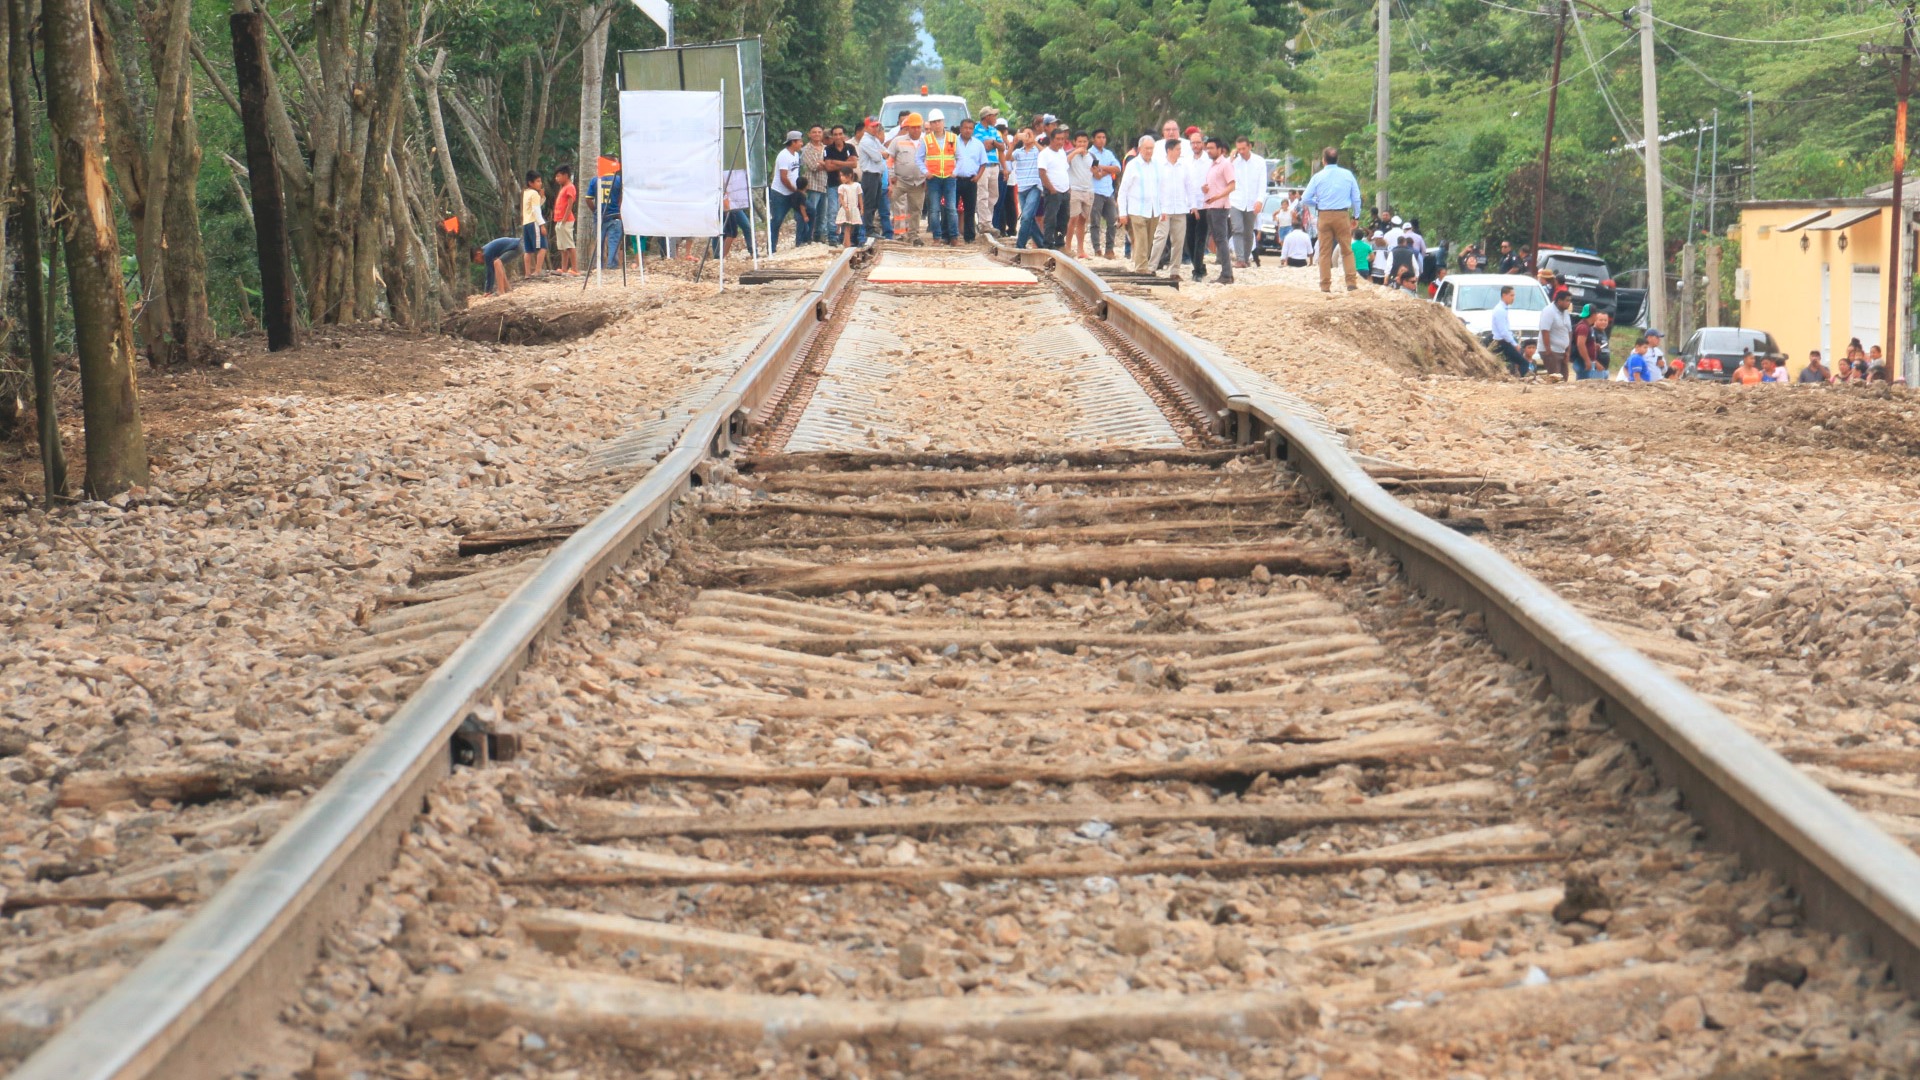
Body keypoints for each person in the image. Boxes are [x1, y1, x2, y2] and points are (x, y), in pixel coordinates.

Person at [1300, 146, 1362, 292]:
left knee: (1324, 251)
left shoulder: (1318, 177)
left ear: (1324, 160)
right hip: (1342, 215)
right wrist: (1356, 215)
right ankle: (1351, 283)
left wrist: (1319, 203)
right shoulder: (1348, 175)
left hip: (1324, 215)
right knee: (1347, 250)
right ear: (1337, 159)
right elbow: (1356, 198)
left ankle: (1325, 285)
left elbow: (1305, 199)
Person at [1148, 137, 1192, 277]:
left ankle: (1175, 271)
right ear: (1169, 150)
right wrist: (1158, 208)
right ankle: (1151, 267)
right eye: (1178, 149)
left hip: (1180, 208)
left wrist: (1191, 205)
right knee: (1160, 238)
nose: (1180, 152)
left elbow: (1189, 187)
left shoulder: (1184, 166)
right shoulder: (1159, 167)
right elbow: (1154, 189)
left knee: (1178, 241)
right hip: (1164, 209)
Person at [1116, 135, 1160, 273]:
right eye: (1146, 148)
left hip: (1153, 209)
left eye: (1151, 149)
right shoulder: (1132, 165)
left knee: (1149, 241)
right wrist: (1122, 213)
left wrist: (1162, 209)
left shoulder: (1156, 165)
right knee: (1140, 240)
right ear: (1140, 149)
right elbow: (1123, 191)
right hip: (1136, 209)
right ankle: (1141, 269)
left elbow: (1161, 188)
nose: (1149, 151)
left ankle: (1142, 265)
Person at [1197, 136, 1236, 284]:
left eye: (1212, 148)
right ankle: (1227, 273)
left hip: (1219, 206)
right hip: (1210, 206)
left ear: (1221, 150)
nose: (1209, 151)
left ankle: (1227, 274)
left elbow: (1232, 185)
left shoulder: (1225, 164)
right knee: (1218, 239)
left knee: (1221, 239)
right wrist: (1205, 189)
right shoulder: (1212, 165)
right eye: (1208, 148)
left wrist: (1217, 197)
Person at [887, 113, 928, 245]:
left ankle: (913, 236)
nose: (916, 130)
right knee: (886, 201)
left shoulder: (926, 142)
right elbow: (890, 159)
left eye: (918, 127)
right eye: (913, 127)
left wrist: (928, 178)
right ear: (908, 128)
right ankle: (879, 229)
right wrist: (891, 175)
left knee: (916, 210)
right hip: (900, 181)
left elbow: (930, 161)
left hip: (919, 182)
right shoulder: (898, 141)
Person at [1225, 137, 1265, 269]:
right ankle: (1240, 259)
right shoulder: (1234, 162)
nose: (1241, 151)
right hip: (1236, 200)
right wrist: (1231, 158)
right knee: (1237, 229)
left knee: (1248, 232)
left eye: (1243, 148)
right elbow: (1224, 171)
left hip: (1252, 201)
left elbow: (1262, 184)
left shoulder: (1259, 162)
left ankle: (1246, 258)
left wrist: (1260, 200)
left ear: (1250, 147)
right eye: (1239, 149)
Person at [921, 110, 959, 246]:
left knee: (951, 208)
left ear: (943, 122)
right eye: (933, 122)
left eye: (938, 121)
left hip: (949, 178)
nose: (936, 124)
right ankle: (937, 238)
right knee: (934, 209)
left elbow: (960, 157)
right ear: (930, 124)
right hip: (933, 179)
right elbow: (918, 158)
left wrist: (956, 171)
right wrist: (925, 171)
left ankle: (954, 237)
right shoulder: (926, 140)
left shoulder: (953, 138)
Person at [1088, 129, 1121, 259]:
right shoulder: (1090, 154)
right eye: (1099, 137)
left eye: (1104, 137)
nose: (1102, 140)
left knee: (1112, 220)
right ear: (1093, 139)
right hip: (1095, 191)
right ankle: (1097, 248)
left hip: (1108, 192)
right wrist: (1108, 169)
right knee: (1095, 221)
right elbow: (1096, 175)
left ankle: (1109, 249)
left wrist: (1102, 167)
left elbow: (1117, 169)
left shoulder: (1108, 153)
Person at [1038, 127, 1072, 249]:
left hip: (1064, 191)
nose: (1060, 142)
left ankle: (1059, 243)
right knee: (1051, 219)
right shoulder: (1045, 154)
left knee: (1063, 219)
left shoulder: (1062, 153)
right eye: (1058, 139)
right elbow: (1042, 173)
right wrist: (1051, 189)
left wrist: (1068, 188)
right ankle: (1048, 244)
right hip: (1053, 192)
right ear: (1052, 139)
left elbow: (1064, 170)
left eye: (1062, 139)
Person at [857, 117, 890, 241]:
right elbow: (877, 157)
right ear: (866, 127)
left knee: (875, 202)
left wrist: (882, 153)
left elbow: (886, 153)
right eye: (872, 126)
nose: (875, 128)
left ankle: (869, 228)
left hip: (877, 175)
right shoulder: (866, 141)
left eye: (877, 126)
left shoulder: (874, 140)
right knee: (869, 203)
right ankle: (867, 230)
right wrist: (882, 153)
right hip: (869, 175)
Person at [823, 125, 856, 243]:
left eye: (840, 134)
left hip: (848, 185)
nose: (838, 137)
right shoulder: (828, 149)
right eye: (835, 134)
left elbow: (854, 164)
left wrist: (836, 162)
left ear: (844, 135)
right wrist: (846, 163)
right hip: (833, 184)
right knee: (833, 210)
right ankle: (832, 236)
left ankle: (844, 236)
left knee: (847, 209)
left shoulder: (850, 147)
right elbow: (828, 167)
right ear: (832, 136)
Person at [771, 131, 804, 251]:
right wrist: (795, 190)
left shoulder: (796, 155)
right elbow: (783, 177)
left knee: (802, 215)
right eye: (800, 141)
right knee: (777, 220)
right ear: (793, 142)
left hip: (793, 191)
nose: (801, 143)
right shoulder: (783, 155)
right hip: (780, 192)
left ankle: (800, 243)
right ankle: (772, 247)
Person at [954, 117, 984, 244]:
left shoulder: (978, 144)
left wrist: (977, 177)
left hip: (971, 180)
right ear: (960, 129)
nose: (967, 130)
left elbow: (983, 163)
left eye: (970, 128)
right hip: (954, 179)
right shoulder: (953, 142)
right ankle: (950, 234)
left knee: (970, 209)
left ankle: (969, 237)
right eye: (965, 128)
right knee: (950, 208)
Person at [1066, 129, 1095, 259]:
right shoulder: (1070, 154)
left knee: (1083, 220)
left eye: (1084, 141)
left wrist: (1097, 171)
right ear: (1074, 142)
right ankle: (1067, 247)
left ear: (1088, 142)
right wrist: (1076, 151)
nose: (1082, 144)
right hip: (1075, 189)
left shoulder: (1092, 156)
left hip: (1088, 189)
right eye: (1079, 142)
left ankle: (1081, 249)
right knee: (1073, 218)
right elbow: (1065, 162)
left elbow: (1095, 172)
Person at [976, 107, 1003, 235]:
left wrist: (992, 142)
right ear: (987, 117)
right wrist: (994, 143)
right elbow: (983, 147)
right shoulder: (976, 129)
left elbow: (1002, 147)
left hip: (994, 165)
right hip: (983, 166)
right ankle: (984, 223)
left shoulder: (994, 130)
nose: (995, 118)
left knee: (993, 195)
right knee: (983, 194)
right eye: (993, 115)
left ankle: (987, 222)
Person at [801, 126, 829, 246]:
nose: (817, 134)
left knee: (823, 214)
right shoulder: (806, 149)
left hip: (825, 184)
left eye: (819, 132)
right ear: (809, 134)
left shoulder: (826, 148)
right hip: (812, 185)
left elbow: (831, 164)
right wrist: (827, 164)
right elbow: (813, 166)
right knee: (812, 212)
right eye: (814, 132)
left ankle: (819, 236)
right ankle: (807, 237)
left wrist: (825, 164)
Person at [1490, 284, 1526, 376]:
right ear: (1504, 295)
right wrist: (1514, 344)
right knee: (1523, 363)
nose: (1513, 298)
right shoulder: (1500, 310)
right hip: (1503, 343)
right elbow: (1503, 331)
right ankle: (1523, 381)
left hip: (1504, 341)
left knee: (1513, 363)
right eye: (1511, 295)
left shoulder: (1503, 309)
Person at [549, 165, 577, 275]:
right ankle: (564, 268)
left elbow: (570, 205)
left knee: (569, 244)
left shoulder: (570, 187)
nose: (557, 179)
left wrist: (564, 220)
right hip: (559, 220)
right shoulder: (563, 188)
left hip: (566, 220)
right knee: (562, 246)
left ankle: (574, 268)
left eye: (558, 176)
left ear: (565, 175)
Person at [519, 171, 546, 277]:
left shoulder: (526, 192)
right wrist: (542, 225)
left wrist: (542, 198)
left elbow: (535, 206)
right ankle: (538, 270)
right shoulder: (534, 194)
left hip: (526, 223)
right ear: (531, 183)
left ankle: (527, 273)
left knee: (528, 249)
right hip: (534, 222)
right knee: (543, 246)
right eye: (538, 181)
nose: (540, 183)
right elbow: (536, 210)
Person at [835, 169, 863, 249]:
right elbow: (841, 198)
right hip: (846, 208)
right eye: (840, 176)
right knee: (847, 226)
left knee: (851, 226)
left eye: (843, 175)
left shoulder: (857, 185)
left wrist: (861, 208)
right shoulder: (842, 187)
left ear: (849, 175)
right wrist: (845, 207)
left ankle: (845, 242)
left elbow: (860, 197)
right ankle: (848, 245)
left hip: (854, 208)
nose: (841, 178)